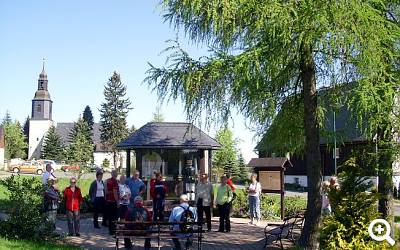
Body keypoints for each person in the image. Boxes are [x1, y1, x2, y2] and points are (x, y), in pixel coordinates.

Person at [104, 170, 119, 235]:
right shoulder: (115, 181)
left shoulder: (107, 181)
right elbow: (115, 192)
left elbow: (106, 191)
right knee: (114, 217)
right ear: (115, 174)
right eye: (116, 173)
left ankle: (110, 230)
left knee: (110, 217)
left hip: (108, 201)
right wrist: (117, 201)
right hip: (113, 201)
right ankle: (113, 231)